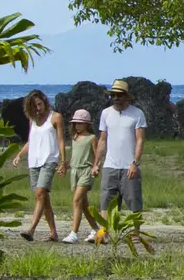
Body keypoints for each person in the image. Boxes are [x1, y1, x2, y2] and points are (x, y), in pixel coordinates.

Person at [92, 79, 147, 238]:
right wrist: (96, 163)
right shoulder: (106, 113)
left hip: (128, 165)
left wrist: (134, 163)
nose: (116, 98)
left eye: (119, 95)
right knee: (106, 201)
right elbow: (102, 140)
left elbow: (140, 140)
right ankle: (104, 232)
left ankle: (135, 233)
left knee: (133, 200)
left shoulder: (137, 113)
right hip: (110, 164)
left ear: (126, 96)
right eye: (113, 95)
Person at [11, 89, 67, 241]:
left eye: (39, 104)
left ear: (44, 101)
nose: (37, 108)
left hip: (49, 160)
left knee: (40, 193)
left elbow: (61, 140)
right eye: (34, 106)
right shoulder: (32, 120)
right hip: (34, 161)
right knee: (44, 198)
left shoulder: (55, 117)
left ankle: (31, 229)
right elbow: (31, 141)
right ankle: (53, 233)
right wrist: (19, 155)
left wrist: (63, 161)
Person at [60, 109, 100, 243]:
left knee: (76, 200)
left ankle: (74, 234)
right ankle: (96, 229)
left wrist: (96, 167)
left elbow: (97, 155)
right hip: (75, 172)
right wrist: (65, 165)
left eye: (80, 123)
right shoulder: (74, 138)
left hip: (86, 171)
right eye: (75, 123)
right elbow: (74, 156)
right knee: (83, 204)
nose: (77, 126)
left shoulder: (92, 138)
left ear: (87, 124)